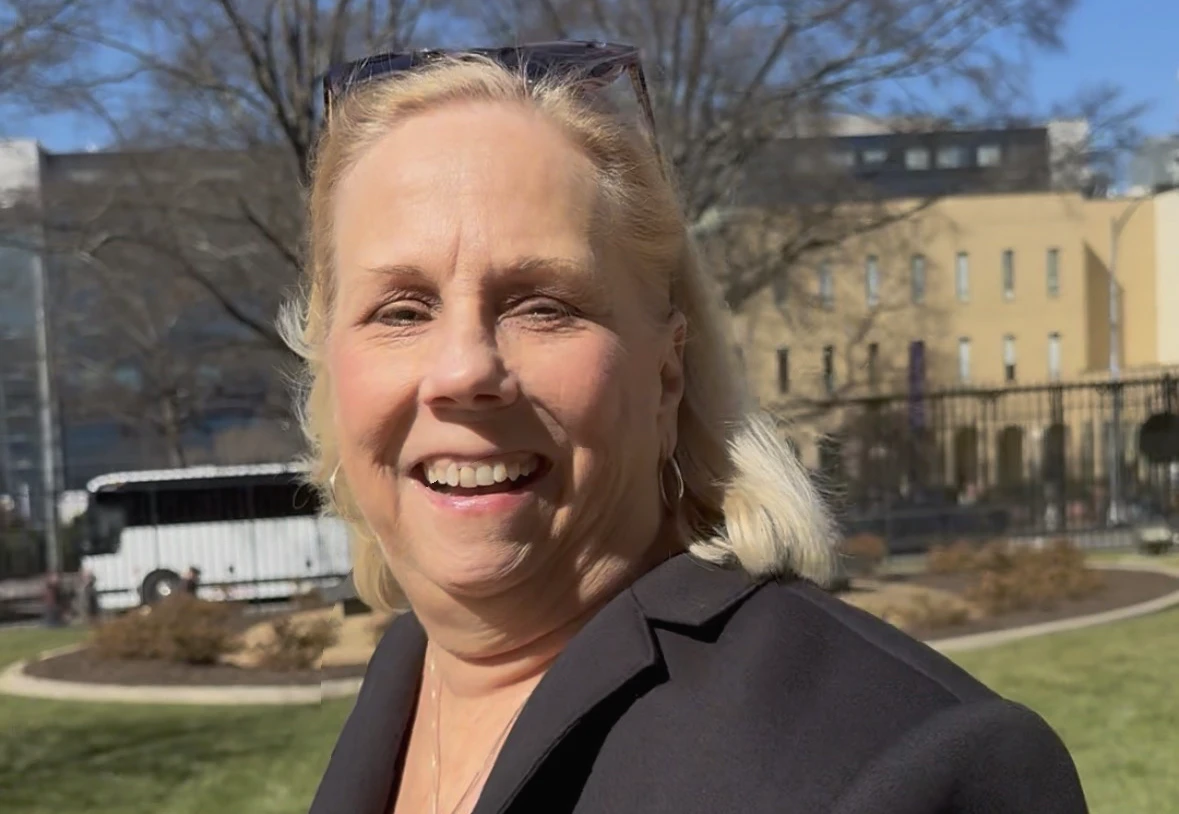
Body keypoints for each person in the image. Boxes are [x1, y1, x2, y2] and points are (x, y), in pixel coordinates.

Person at [290, 41, 1087, 814]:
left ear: (666, 372)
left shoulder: (901, 764)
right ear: (329, 368)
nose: (464, 370)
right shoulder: (402, 677)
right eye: (400, 310)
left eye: (544, 305)